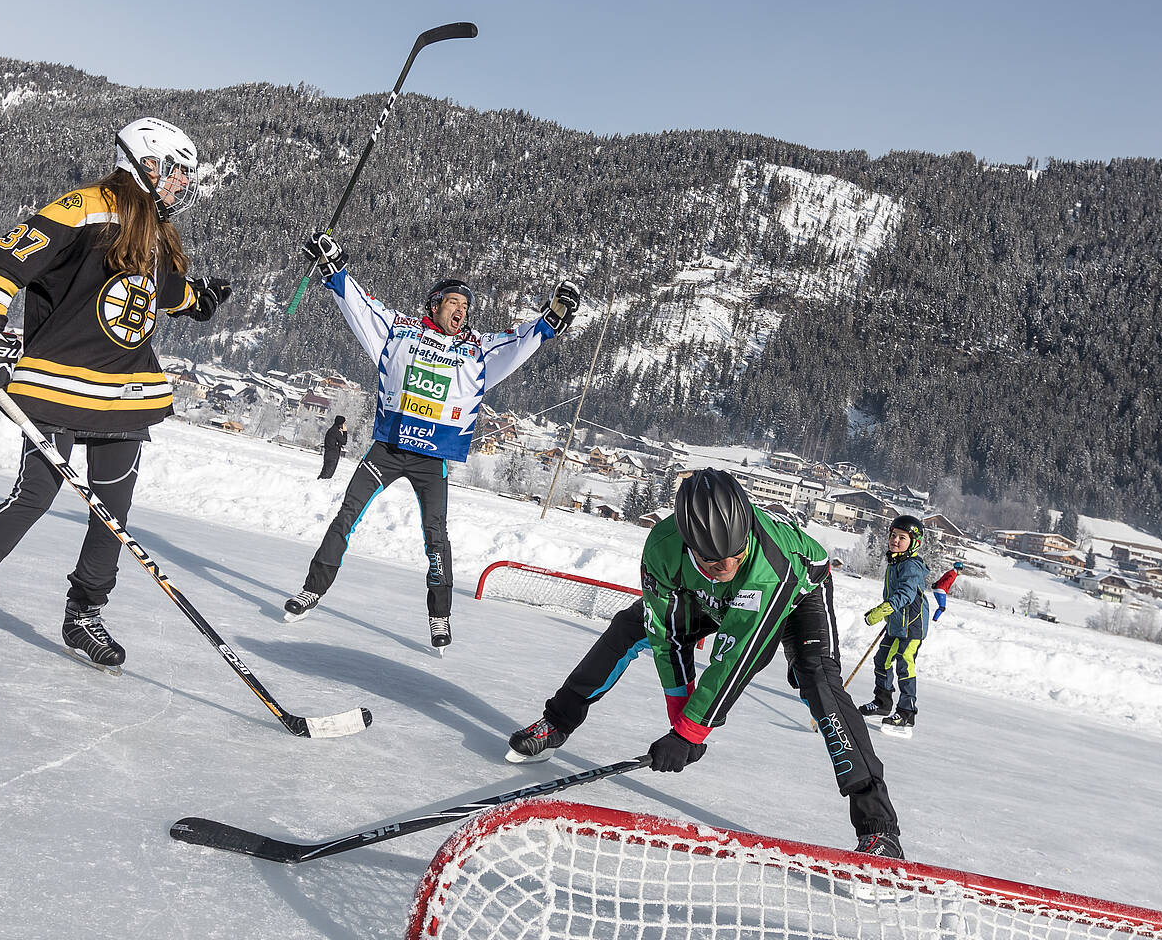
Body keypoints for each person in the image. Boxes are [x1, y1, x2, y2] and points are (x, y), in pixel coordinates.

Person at [0, 117, 231, 681]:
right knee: (34, 494)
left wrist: (195, 299)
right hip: (58, 383)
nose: (184, 184)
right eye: (178, 171)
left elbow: (143, 290)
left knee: (113, 513)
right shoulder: (83, 207)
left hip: (125, 390)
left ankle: (84, 614)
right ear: (147, 163)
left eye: (187, 175)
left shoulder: (153, 229)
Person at [507, 469, 904, 858]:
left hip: (797, 593)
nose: (728, 564)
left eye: (736, 553)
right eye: (715, 560)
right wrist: (681, 720)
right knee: (630, 627)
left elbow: (736, 658)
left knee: (818, 680)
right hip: (704, 595)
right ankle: (557, 722)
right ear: (689, 543)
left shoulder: (768, 562)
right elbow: (668, 637)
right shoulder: (662, 549)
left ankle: (879, 828)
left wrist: (688, 733)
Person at [283, 230, 579, 649]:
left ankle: (439, 616)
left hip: (432, 460)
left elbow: (522, 341)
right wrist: (334, 266)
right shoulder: (400, 332)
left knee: (435, 538)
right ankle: (312, 589)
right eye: (453, 302)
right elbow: (361, 306)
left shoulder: (478, 351)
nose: (461, 310)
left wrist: (554, 316)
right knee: (345, 518)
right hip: (388, 449)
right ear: (434, 305)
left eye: (466, 306)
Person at [859, 516, 931, 733]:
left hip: (912, 625)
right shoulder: (896, 561)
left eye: (902, 537)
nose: (895, 541)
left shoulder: (912, 565)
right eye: (893, 535)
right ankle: (882, 702)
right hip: (896, 622)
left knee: (904, 664)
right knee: (881, 660)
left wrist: (883, 610)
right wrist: (890, 614)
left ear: (914, 542)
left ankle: (907, 712)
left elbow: (906, 593)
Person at [318, 415, 348, 479]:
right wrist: (345, 432)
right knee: (327, 474)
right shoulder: (335, 431)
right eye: (343, 423)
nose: (343, 425)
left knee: (325, 472)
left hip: (329, 453)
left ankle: (318, 483)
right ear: (340, 424)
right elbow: (344, 441)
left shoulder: (332, 430)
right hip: (332, 455)